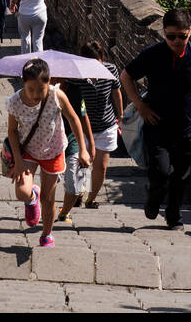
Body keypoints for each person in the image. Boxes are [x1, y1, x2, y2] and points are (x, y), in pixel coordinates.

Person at [121, 8, 191, 230]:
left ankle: (173, 216)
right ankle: (153, 199)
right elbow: (126, 76)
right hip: (156, 124)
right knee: (161, 172)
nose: (177, 41)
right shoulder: (153, 54)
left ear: (190, 32)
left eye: (182, 36)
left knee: (183, 174)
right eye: (171, 36)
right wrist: (140, 105)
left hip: (186, 125)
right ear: (163, 33)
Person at [6, 58, 91, 248]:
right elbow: (12, 131)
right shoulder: (15, 102)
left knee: (48, 198)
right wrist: (18, 161)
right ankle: (31, 197)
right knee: (22, 192)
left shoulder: (57, 95)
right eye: (31, 90)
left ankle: (47, 234)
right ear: (23, 83)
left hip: (53, 151)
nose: (36, 95)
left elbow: (75, 119)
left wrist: (83, 150)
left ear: (49, 81)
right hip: (28, 151)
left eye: (40, 90)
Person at [64, 41, 123, 208]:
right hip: (82, 126)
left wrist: (121, 115)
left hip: (106, 124)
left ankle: (91, 199)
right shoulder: (75, 75)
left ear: (102, 59)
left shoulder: (110, 70)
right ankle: (79, 192)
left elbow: (116, 91)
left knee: (101, 167)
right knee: (83, 162)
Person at [56, 81, 94, 225]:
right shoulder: (43, 90)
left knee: (77, 182)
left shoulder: (76, 90)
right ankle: (47, 210)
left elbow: (83, 117)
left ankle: (65, 211)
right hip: (50, 142)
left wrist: (90, 145)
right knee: (51, 182)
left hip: (73, 139)